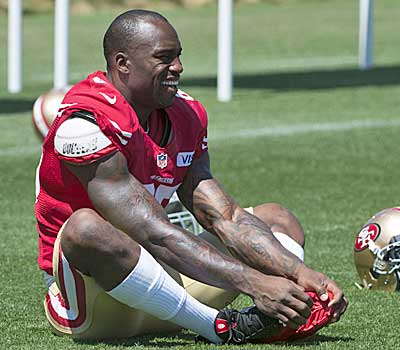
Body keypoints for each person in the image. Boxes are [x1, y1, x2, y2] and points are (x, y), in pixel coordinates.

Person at [35, 9, 347, 344]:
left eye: (178, 56)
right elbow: (153, 233)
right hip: (98, 300)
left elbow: (225, 216)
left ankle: (286, 312)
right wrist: (253, 281)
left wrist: (297, 273)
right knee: (86, 227)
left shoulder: (186, 113)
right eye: (164, 58)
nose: (178, 68)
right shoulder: (84, 124)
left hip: (167, 285)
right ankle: (218, 327)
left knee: (276, 218)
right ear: (122, 63)